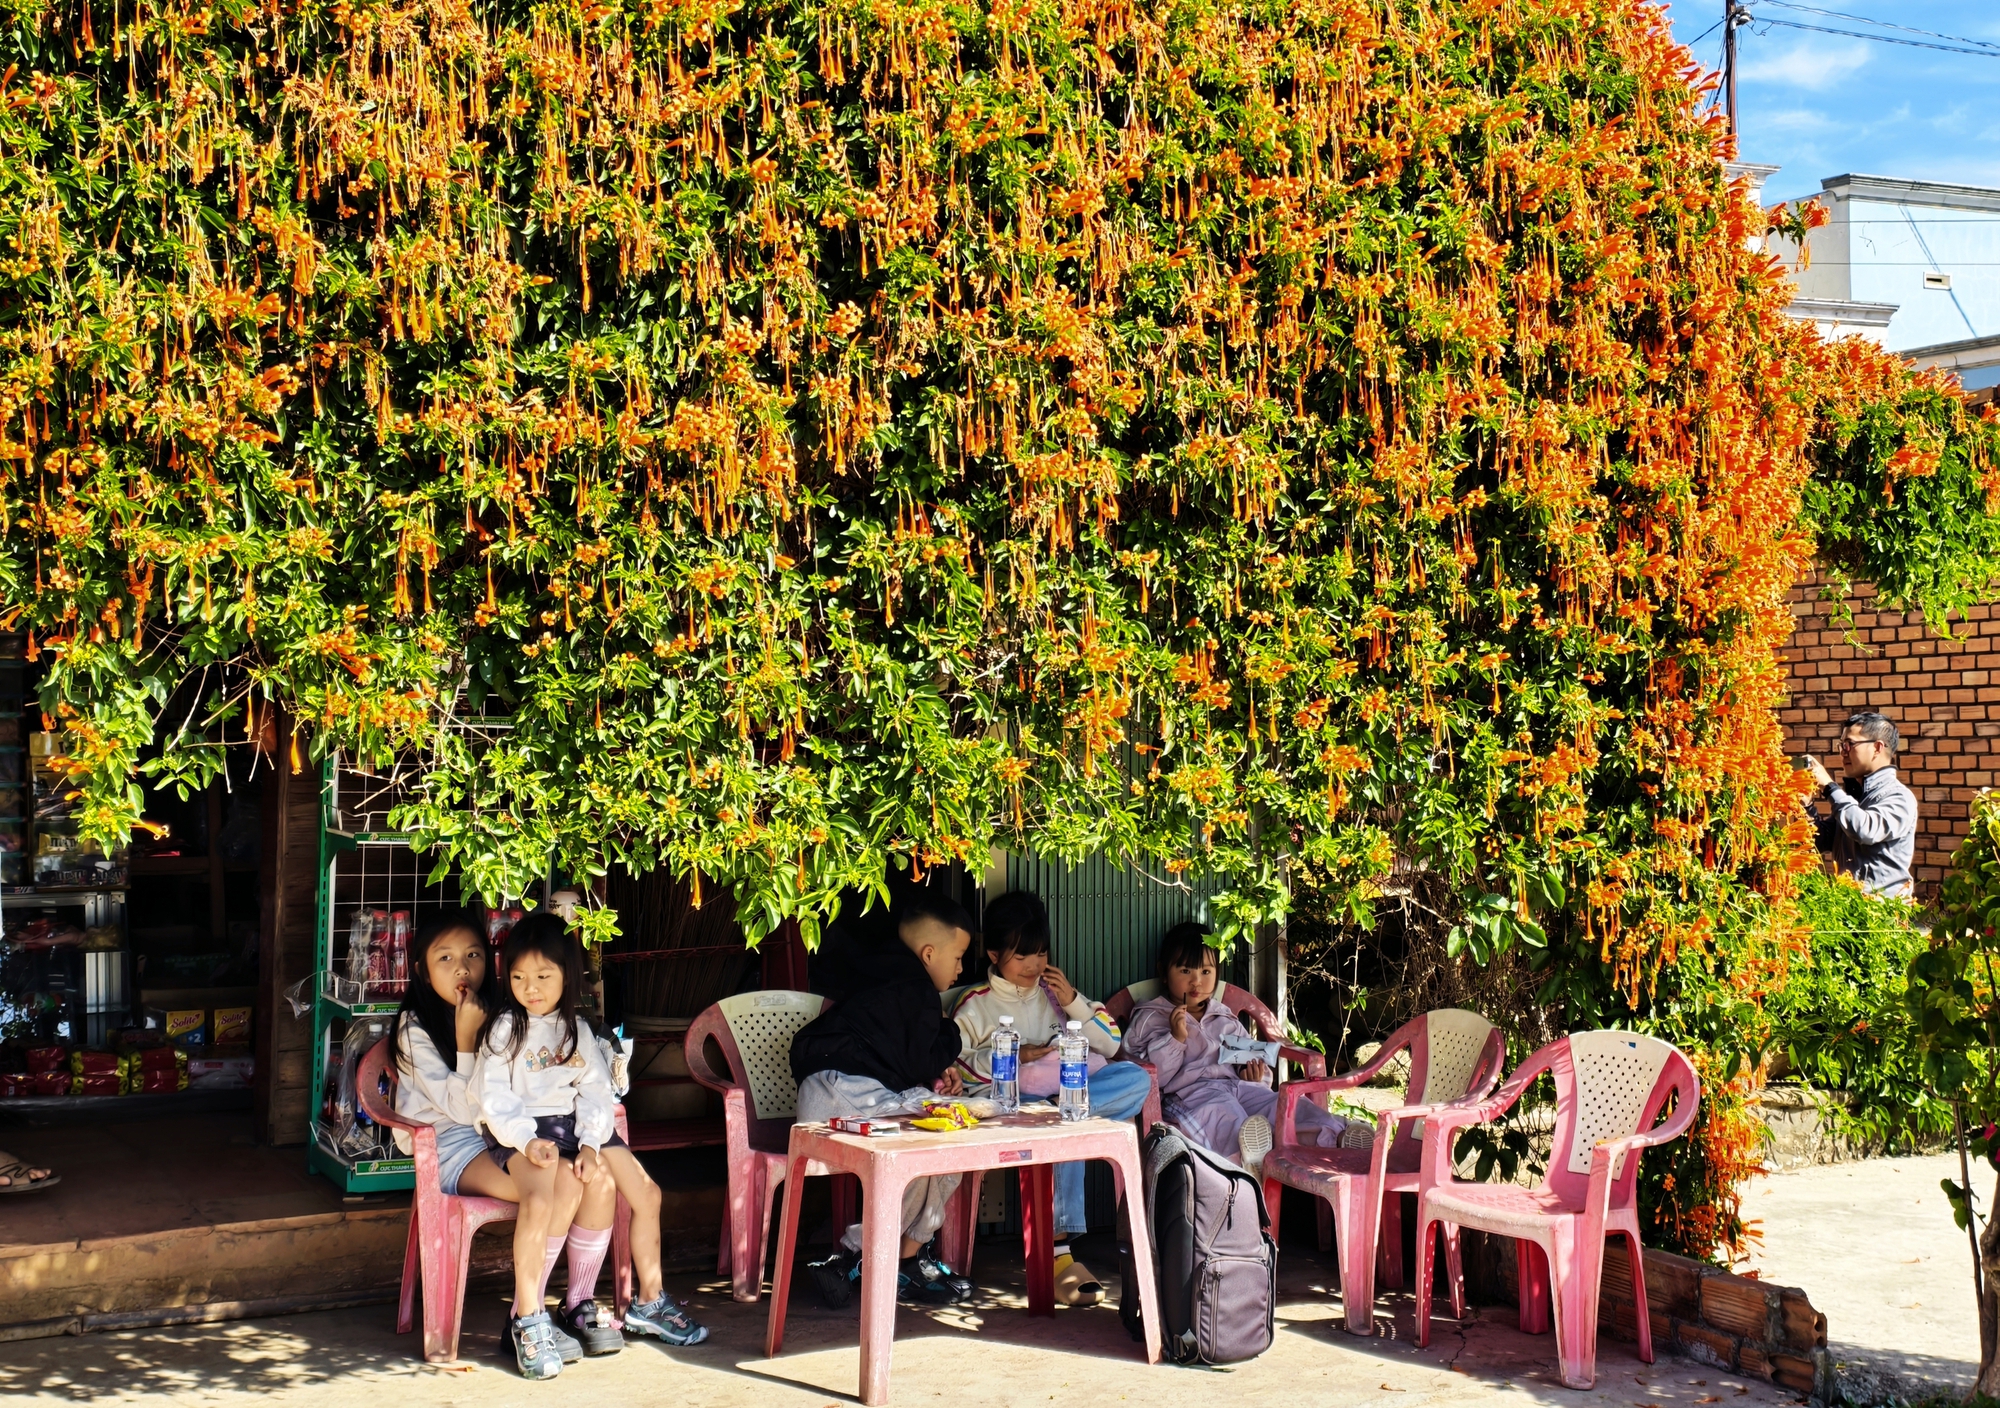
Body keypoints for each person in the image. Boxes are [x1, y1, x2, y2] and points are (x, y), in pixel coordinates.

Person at [476, 912, 707, 1379]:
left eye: (543, 976)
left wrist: (588, 1143)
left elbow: (595, 1091)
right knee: (566, 1188)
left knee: (641, 1192)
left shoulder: (577, 1030)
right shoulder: (506, 1028)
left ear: (568, 974)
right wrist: (526, 1139)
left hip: (580, 1127)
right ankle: (528, 1313)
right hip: (526, 1130)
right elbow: (494, 1099)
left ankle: (633, 1302)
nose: (531, 987)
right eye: (519, 977)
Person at [949, 889, 1150, 1306]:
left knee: (1134, 1080)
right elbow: (956, 1065)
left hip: (1062, 1100)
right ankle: (1059, 1254)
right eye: (1021, 956)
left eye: (1040, 954)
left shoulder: (1055, 995)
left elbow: (1112, 1046)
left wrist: (1072, 1001)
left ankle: (1064, 1114)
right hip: (1012, 1105)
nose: (1034, 965)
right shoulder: (975, 1004)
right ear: (993, 954)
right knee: (1068, 1129)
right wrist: (1012, 1055)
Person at [790, 890, 976, 1309]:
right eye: (959, 956)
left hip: (855, 1092)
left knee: (945, 1140)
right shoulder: (915, 988)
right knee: (931, 1138)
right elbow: (920, 1055)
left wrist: (932, 1066)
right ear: (929, 953)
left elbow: (904, 1055)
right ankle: (852, 1256)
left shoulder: (881, 971)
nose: (961, 968)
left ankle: (904, 1258)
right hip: (838, 1089)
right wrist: (949, 1035)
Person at [1120, 923, 1358, 1176]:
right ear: (1164, 972)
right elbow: (1151, 1080)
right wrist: (1175, 1038)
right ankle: (1248, 1162)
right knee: (1228, 1116)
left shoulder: (1223, 1017)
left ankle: (1337, 1136)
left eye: (1206, 971)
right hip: (1190, 1096)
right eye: (1185, 970)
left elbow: (1253, 1057)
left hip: (1240, 1089)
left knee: (1283, 1105)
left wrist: (1256, 1076)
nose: (1196, 981)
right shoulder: (1151, 1017)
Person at [1802, 710, 1918, 899]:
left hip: (1881, 915)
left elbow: (1865, 829)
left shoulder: (1899, 796)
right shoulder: (1855, 797)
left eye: (1850, 744)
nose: (1843, 753)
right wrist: (1807, 806)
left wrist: (1830, 787)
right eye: (1841, 746)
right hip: (1847, 908)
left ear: (1878, 748)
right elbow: (1820, 841)